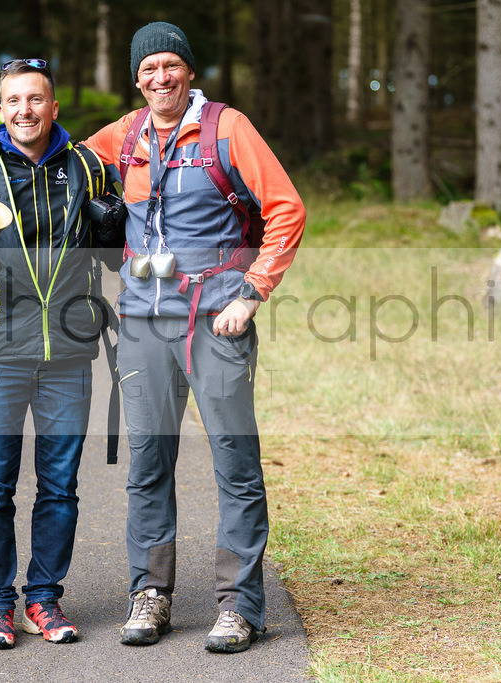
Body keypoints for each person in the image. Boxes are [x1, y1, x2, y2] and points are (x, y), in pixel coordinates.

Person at [80, 22, 306, 653]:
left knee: (234, 462)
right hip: (143, 322)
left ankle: (239, 606)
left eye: (171, 65)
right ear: (136, 79)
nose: (161, 78)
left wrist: (252, 291)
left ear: (189, 70)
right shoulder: (125, 135)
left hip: (214, 317)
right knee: (148, 463)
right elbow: (57, 162)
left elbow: (286, 208)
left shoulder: (228, 129)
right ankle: (150, 595)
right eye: (149, 69)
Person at [0, 59, 111, 649]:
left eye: (35, 99)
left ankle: (44, 598)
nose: (25, 110)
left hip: (68, 351)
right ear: (0, 110)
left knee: (60, 486)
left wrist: (113, 228)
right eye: (13, 101)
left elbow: (114, 246)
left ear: (53, 107)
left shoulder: (87, 167)